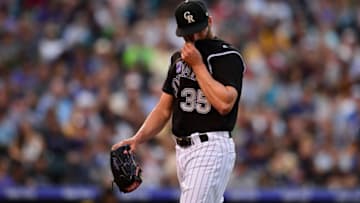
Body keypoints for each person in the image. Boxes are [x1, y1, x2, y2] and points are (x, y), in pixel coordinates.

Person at [112, 0, 245, 202]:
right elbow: (164, 109)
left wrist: (198, 65)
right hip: (182, 151)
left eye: (198, 29)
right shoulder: (178, 59)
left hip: (210, 146)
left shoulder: (226, 56)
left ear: (209, 21)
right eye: (188, 31)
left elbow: (225, 104)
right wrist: (137, 138)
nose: (194, 36)